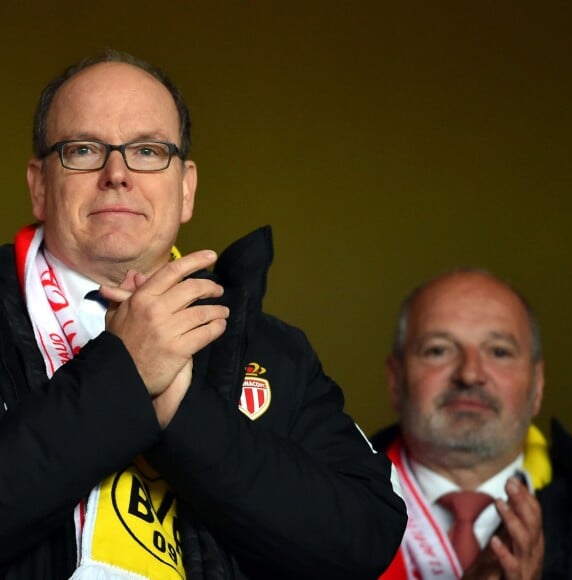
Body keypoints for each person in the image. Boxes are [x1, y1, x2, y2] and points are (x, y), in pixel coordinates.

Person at [0, 50, 406, 579]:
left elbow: (363, 537)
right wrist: (124, 378)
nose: (117, 173)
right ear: (38, 185)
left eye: (147, 151)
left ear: (186, 188)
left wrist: (183, 413)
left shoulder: (270, 348)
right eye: (83, 150)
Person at [371, 269, 572, 579]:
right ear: (395, 381)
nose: (469, 374)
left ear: (537, 386)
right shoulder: (315, 504)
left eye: (499, 352)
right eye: (438, 350)